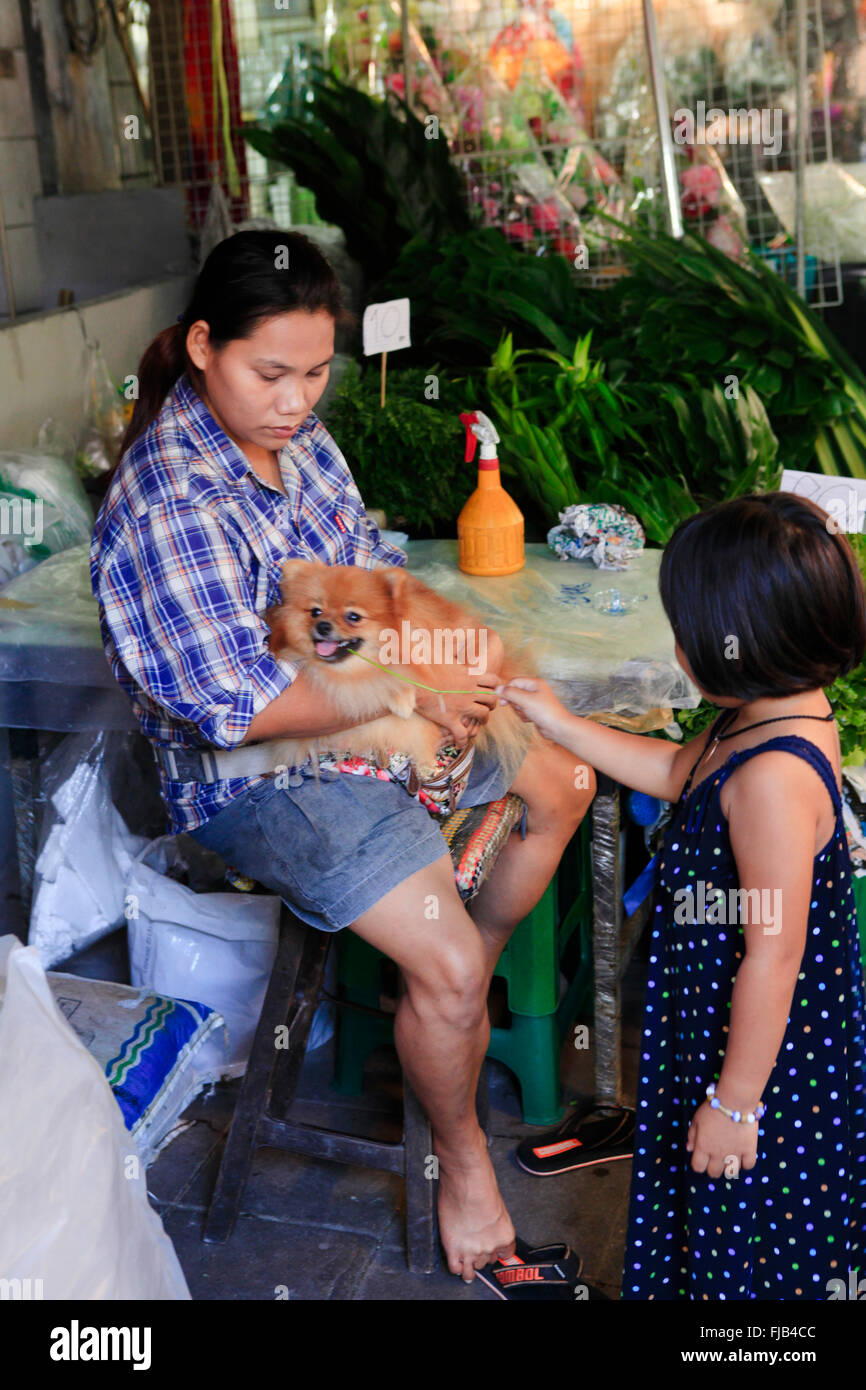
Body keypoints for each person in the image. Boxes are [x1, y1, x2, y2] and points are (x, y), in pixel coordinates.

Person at [90, 230, 596, 1283]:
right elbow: (239, 702)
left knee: (563, 778)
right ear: (200, 347)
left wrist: (444, 681)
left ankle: (455, 988)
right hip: (247, 779)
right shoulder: (169, 496)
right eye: (270, 372)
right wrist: (411, 695)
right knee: (444, 960)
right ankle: (463, 1162)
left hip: (360, 712)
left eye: (315, 373)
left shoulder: (303, 445)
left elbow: (371, 579)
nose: (296, 400)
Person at [497, 492, 866, 1299]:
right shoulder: (760, 713)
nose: (679, 645)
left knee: (746, 1227)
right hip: (719, 1033)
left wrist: (735, 1105)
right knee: (703, 1201)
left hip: (763, 1067)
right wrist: (553, 720)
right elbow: (672, 772)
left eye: (690, 630)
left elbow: (774, 954)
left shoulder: (773, 778)